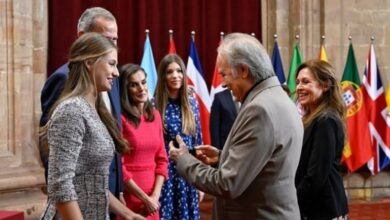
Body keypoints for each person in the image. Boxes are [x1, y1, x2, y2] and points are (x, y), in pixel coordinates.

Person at [168, 33, 303, 219]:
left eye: (224, 74)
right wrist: (222, 157)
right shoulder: (279, 97)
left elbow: (227, 184)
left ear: (243, 70)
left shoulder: (259, 109)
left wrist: (184, 159)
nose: (223, 83)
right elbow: (267, 162)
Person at [40, 33, 144, 220]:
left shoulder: (94, 109)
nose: (117, 73)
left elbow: (94, 184)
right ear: (89, 62)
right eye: (111, 64)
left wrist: (128, 214)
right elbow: (60, 185)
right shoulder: (71, 110)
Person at [294, 59, 348, 220]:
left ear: (325, 86)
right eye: (297, 82)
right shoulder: (311, 118)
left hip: (325, 209)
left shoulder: (326, 120)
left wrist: (294, 203)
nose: (299, 87)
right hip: (314, 208)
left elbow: (316, 176)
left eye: (306, 82)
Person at [154, 54, 203, 220]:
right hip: (164, 175)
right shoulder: (154, 105)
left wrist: (200, 182)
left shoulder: (192, 103)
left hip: (188, 171)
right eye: (169, 72)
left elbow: (198, 142)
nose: (175, 76)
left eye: (178, 71)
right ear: (163, 76)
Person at [118, 64, 168, 219]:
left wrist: (154, 196)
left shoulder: (155, 116)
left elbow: (162, 159)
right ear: (125, 90)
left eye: (143, 82)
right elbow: (119, 165)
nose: (141, 88)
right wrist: (144, 198)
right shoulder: (120, 119)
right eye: (134, 85)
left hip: (153, 200)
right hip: (128, 198)